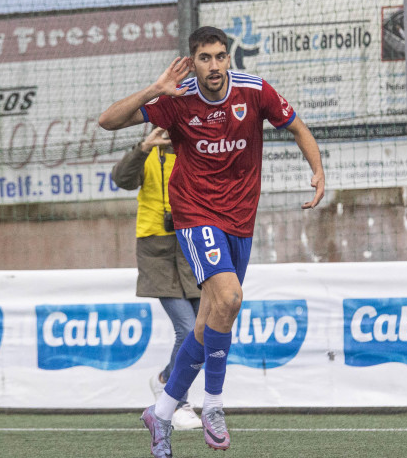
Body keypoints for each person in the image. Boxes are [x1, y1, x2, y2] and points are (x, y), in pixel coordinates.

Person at [99, 26, 325, 457]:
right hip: (194, 214)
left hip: (240, 220)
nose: (216, 65)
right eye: (206, 58)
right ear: (193, 61)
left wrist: (318, 171)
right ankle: (214, 405)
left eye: (221, 56)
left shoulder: (255, 91)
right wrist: (154, 89)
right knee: (231, 297)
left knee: (209, 322)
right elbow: (107, 121)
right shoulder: (176, 99)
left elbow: (299, 129)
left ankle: (161, 412)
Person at [110, 127, 202, 431]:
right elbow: (122, 179)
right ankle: (179, 401)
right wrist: (145, 146)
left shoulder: (195, 148)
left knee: (204, 331)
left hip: (193, 245)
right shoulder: (148, 152)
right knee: (187, 330)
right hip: (157, 250)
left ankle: (164, 379)